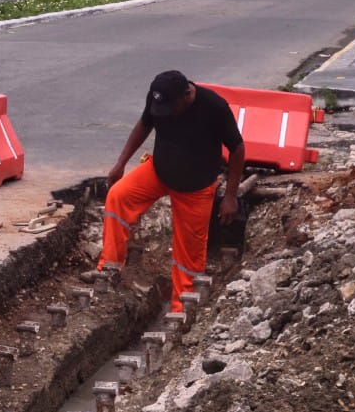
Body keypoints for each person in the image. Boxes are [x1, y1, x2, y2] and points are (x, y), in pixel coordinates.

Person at [93, 71, 245, 313]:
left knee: (188, 261)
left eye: (169, 107)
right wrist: (121, 163)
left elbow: (237, 149)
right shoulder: (160, 98)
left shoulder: (213, 106)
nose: (165, 112)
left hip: (196, 188)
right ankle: (109, 268)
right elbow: (144, 124)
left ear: (186, 95)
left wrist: (230, 197)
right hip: (159, 170)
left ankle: (180, 312)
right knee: (118, 196)